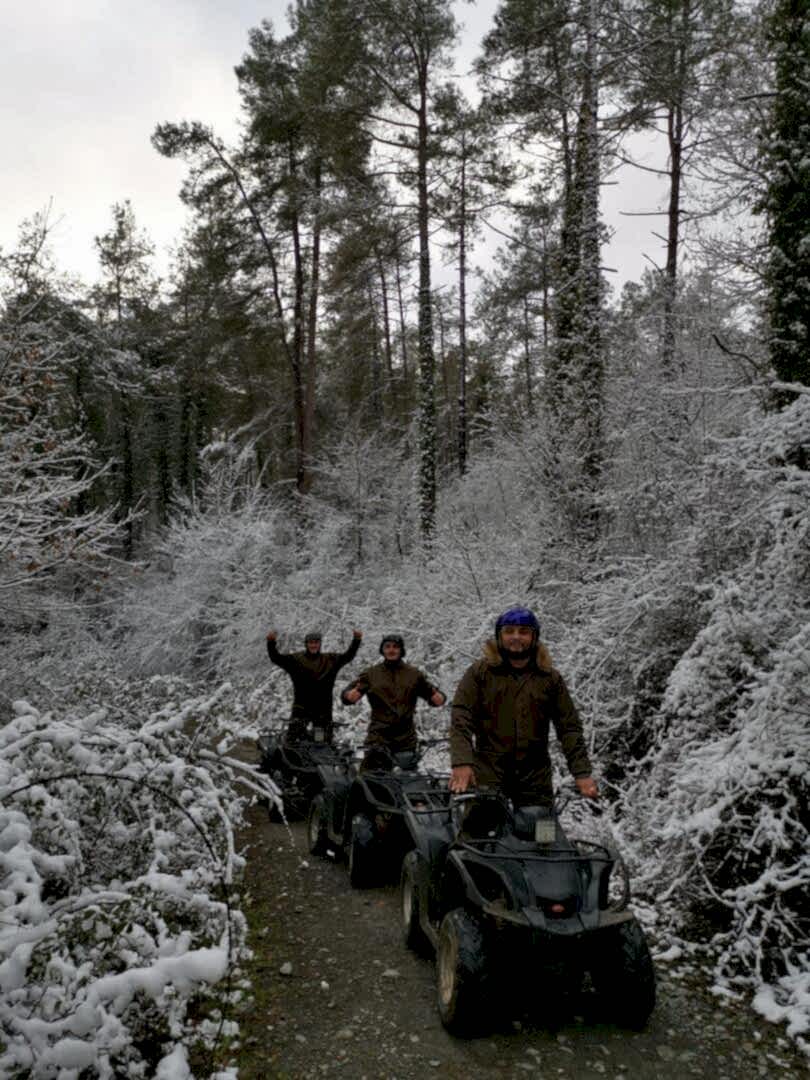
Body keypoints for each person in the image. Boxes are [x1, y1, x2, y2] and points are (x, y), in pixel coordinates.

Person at [449, 607, 598, 804]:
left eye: (524, 632)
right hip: (488, 773)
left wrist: (581, 772)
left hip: (535, 778)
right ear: (499, 636)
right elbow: (461, 716)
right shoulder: (481, 672)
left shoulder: (549, 678)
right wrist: (461, 762)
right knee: (481, 831)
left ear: (534, 637)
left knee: (544, 833)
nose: (516, 637)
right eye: (509, 631)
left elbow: (569, 727)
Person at [341, 634, 446, 769]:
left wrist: (438, 696)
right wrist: (349, 696)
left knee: (407, 781)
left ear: (401, 650)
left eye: (395, 647)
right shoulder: (371, 674)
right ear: (382, 650)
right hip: (378, 737)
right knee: (371, 780)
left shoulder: (414, 675)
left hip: (406, 739)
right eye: (387, 647)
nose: (391, 650)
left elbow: (437, 699)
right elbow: (347, 696)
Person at [266, 628, 362, 743]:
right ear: (306, 644)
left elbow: (348, 656)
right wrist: (271, 642)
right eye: (310, 642)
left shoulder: (330, 660)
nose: (313, 645)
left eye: (316, 642)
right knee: (293, 740)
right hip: (301, 706)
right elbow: (276, 658)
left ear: (320, 644)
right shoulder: (296, 660)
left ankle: (320, 758)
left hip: (323, 708)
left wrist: (356, 640)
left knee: (321, 742)